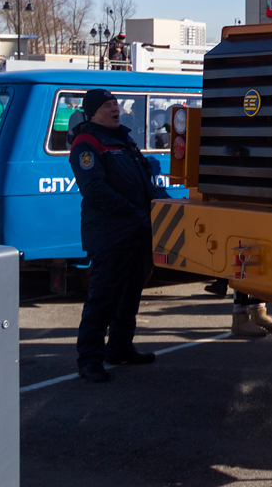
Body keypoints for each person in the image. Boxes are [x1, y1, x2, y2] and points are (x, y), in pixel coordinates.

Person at [69, 89, 161, 383]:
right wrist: (133, 213)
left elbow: (143, 181)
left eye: (115, 104)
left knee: (130, 293)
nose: (115, 109)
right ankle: (89, 360)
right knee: (103, 298)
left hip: (137, 231)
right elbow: (94, 189)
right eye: (107, 106)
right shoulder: (87, 142)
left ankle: (120, 347)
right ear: (92, 113)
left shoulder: (124, 138)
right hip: (110, 233)